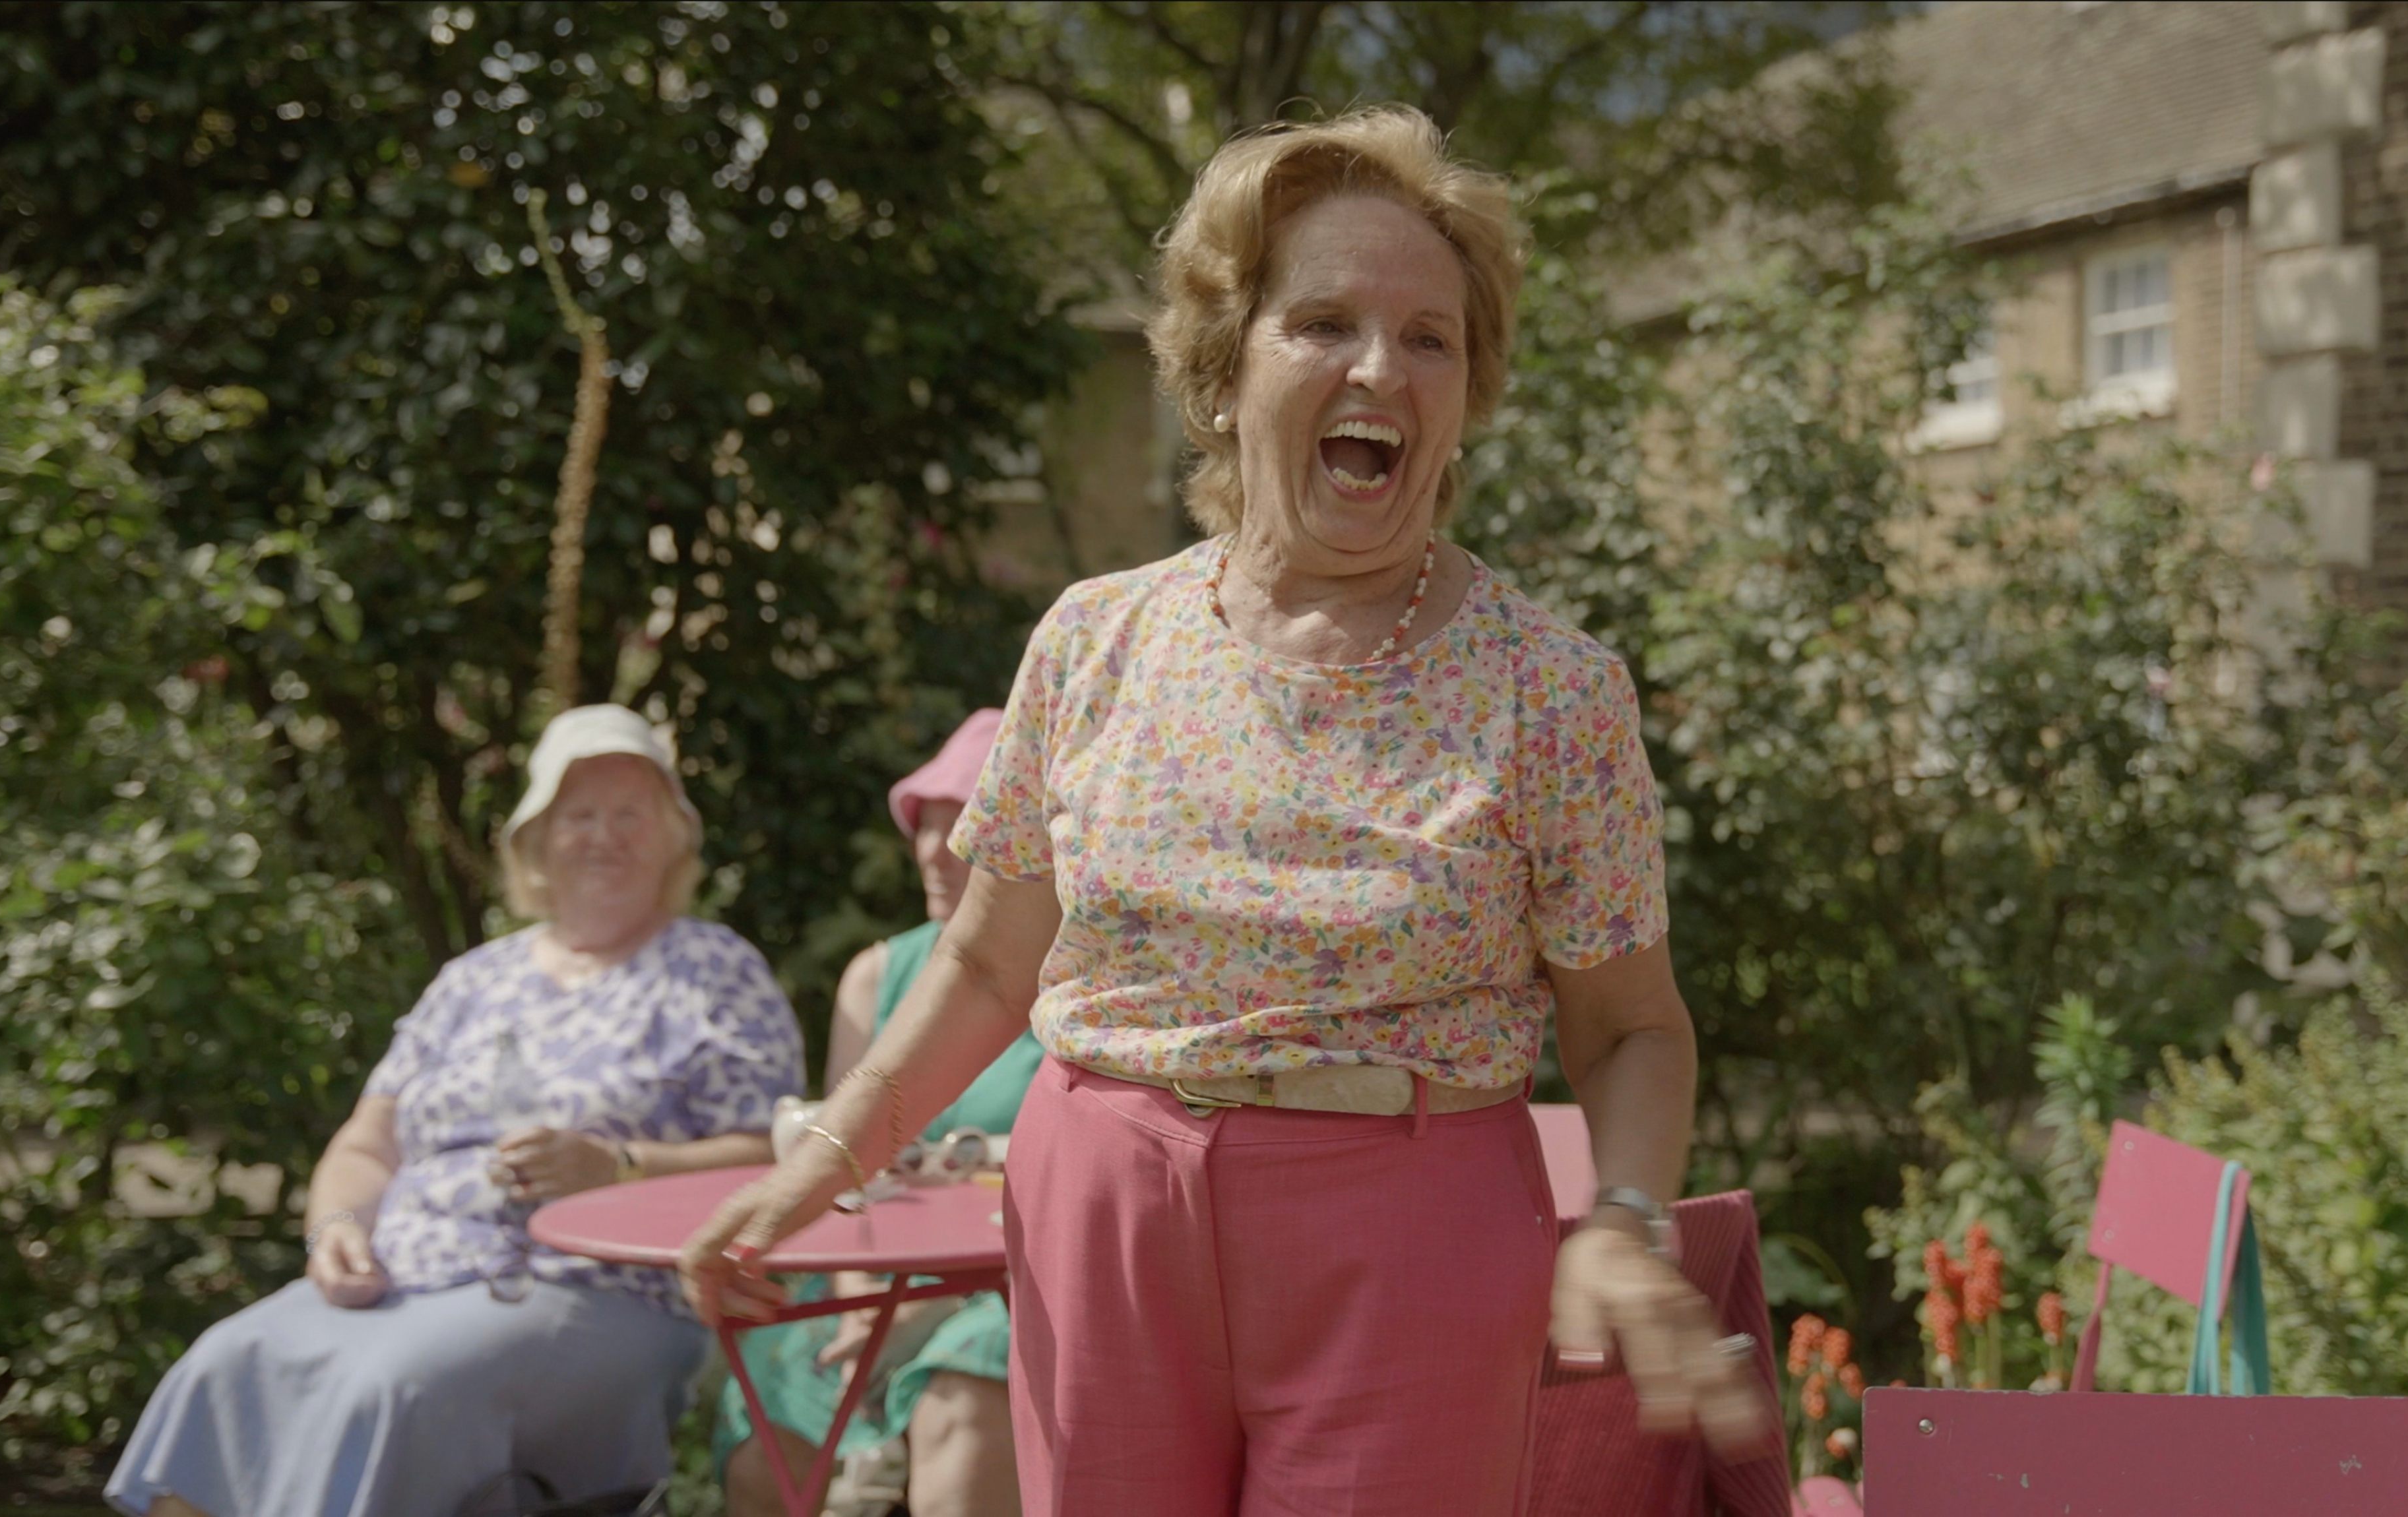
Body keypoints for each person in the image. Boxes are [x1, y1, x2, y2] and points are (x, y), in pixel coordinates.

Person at [679, 106, 1768, 1516]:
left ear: (1464, 393)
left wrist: (1623, 1218)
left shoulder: (1552, 690)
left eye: (1428, 337)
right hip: (1104, 1216)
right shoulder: (1093, 638)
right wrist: (827, 1158)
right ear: (1224, 366)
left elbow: (1628, 1029)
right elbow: (990, 965)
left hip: (1408, 1243)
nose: (1380, 367)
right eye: (1323, 322)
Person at [108, 704, 804, 1517]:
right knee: (223, 1363)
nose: (603, 836)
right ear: (535, 841)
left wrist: (620, 1166)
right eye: (579, 814)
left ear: (674, 838)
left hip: (596, 1287)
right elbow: (368, 1141)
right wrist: (335, 1228)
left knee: (393, 1388)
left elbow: (770, 1153)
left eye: (630, 813)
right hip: (404, 1275)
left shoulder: (717, 969)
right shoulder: (474, 978)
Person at [717, 710, 1040, 1517]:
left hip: (1014, 1286)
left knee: (960, 1419)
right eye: (924, 824)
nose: (933, 850)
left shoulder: (1078, 982)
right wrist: (865, 1300)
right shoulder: (876, 974)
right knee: (764, 1444)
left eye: (963, 825)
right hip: (872, 1278)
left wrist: (917, 1310)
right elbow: (842, 1167)